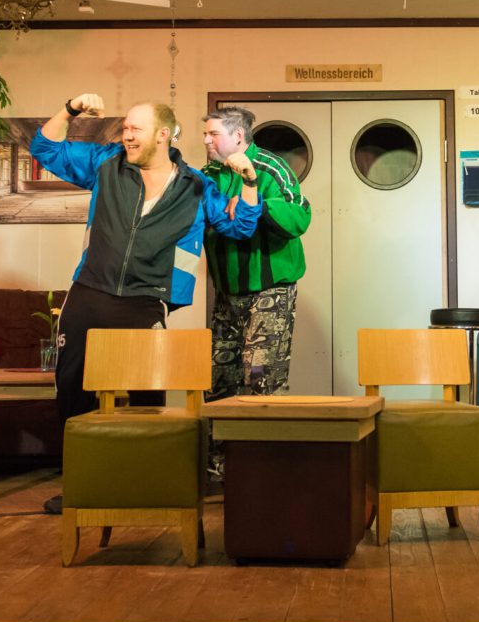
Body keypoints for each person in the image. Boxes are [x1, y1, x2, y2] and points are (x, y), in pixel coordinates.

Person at [30, 95, 263, 514]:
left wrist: (248, 181)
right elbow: (44, 148)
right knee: (73, 393)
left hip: (147, 300)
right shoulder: (106, 164)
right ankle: (82, 485)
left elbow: (240, 226)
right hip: (90, 292)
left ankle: (141, 485)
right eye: (125, 128)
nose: (127, 135)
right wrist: (69, 108)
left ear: (162, 135)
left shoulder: (195, 186)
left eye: (135, 128)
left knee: (146, 397)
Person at [198, 107, 311, 471]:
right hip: (226, 294)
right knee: (220, 380)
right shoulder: (207, 175)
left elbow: (299, 217)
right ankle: (222, 469)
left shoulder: (271, 168)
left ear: (238, 136)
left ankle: (265, 471)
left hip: (270, 293)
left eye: (213, 134)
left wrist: (255, 203)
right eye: (205, 134)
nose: (206, 140)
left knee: (261, 377)